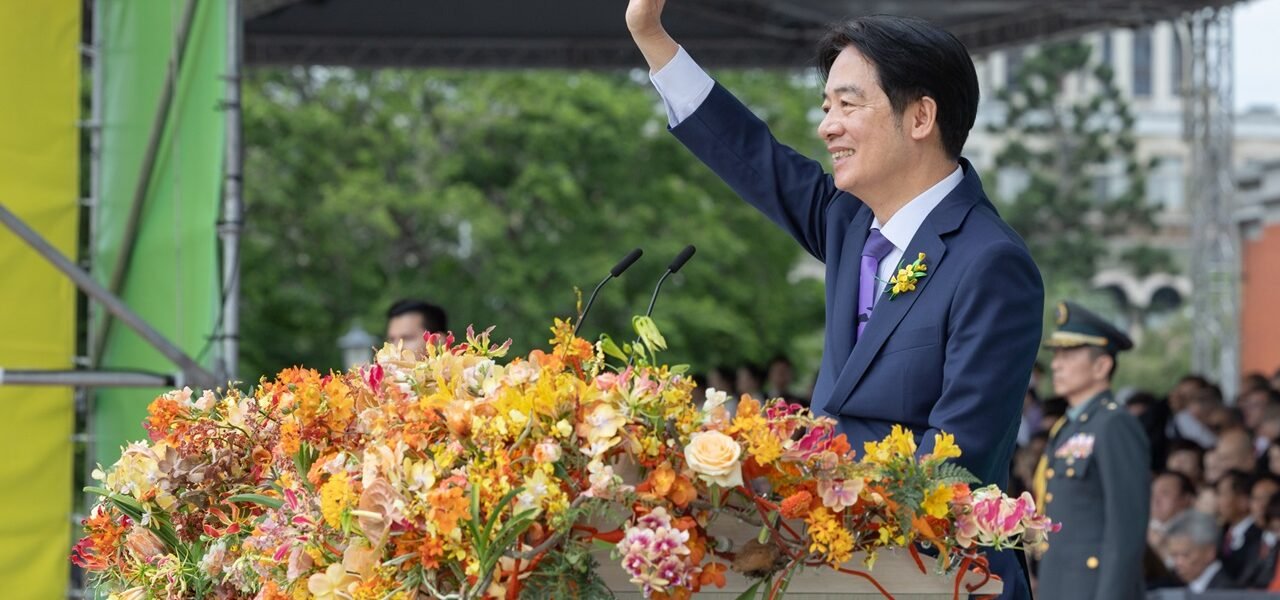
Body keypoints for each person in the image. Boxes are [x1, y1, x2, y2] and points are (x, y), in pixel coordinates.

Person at [624, 3, 1044, 596]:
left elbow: (957, 462)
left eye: (849, 105)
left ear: (921, 115)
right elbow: (751, 155)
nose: (827, 126)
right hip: (842, 569)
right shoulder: (850, 222)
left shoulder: (990, 261)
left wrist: (822, 516)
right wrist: (650, 35)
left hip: (937, 577)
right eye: (827, 108)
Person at [1036, 301, 1148, 600]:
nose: (1057, 364)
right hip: (1059, 585)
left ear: (1102, 366)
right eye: (1057, 354)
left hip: (1093, 590)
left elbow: (1125, 531)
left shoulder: (1114, 424)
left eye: (1069, 354)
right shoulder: (1068, 427)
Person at [1165, 510, 1239, 591]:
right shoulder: (1176, 585)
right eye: (1174, 555)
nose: (1178, 563)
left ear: (1209, 553)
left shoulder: (1228, 591)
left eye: (1186, 555)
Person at [1217, 469, 1265, 581]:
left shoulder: (1260, 535)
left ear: (1243, 500)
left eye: (1222, 494)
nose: (1218, 501)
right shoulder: (1222, 532)